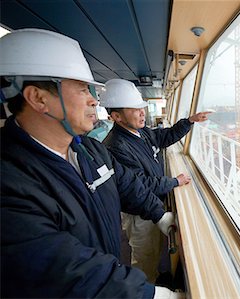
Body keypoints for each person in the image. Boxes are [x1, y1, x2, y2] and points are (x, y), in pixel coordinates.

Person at [0, 28, 182, 299]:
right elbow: (65, 270)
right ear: (39, 98)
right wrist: (155, 296)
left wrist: (160, 214)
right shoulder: (9, 181)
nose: (94, 101)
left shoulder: (90, 150)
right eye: (83, 89)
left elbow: (127, 184)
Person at [100, 78, 211, 283]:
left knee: (155, 251)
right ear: (116, 116)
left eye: (141, 107)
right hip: (140, 213)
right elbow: (140, 184)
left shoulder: (140, 133)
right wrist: (173, 182)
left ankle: (154, 280)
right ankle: (146, 289)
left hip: (152, 205)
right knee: (145, 257)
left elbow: (164, 136)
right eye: (135, 109)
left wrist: (189, 121)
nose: (142, 112)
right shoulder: (116, 146)